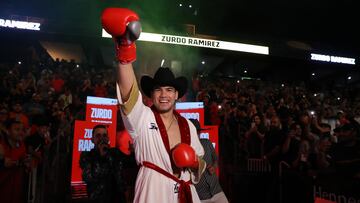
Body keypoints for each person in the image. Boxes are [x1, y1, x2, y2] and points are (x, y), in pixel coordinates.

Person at [101, 8, 206, 203]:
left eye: (169, 90)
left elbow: (201, 165)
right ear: (151, 95)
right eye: (158, 90)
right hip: (153, 191)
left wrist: (193, 162)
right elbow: (128, 93)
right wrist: (125, 48)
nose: (164, 95)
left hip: (186, 194)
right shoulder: (142, 117)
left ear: (177, 96)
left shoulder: (189, 126)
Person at [79, 124, 126, 203]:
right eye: (98, 136)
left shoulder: (115, 153)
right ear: (92, 139)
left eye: (104, 135)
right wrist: (101, 157)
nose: (102, 139)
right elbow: (88, 178)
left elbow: (128, 163)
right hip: (98, 199)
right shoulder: (87, 156)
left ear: (108, 138)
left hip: (118, 199)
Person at [189, 119, 229, 203]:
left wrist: (214, 166)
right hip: (201, 196)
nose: (197, 134)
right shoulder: (187, 151)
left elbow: (216, 158)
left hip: (216, 190)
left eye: (198, 132)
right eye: (194, 132)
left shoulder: (207, 143)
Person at [0, 119, 31, 203]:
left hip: (16, 191)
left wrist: (26, 162)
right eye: (17, 129)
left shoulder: (21, 145)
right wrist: (2, 163)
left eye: (22, 130)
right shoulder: (1, 146)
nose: (21, 133)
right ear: (7, 131)